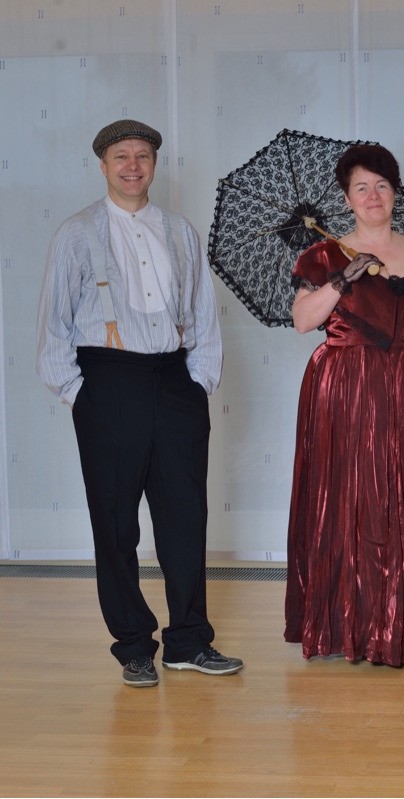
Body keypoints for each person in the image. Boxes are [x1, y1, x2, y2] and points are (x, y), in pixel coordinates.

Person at [36, 119, 242, 687]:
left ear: (154, 164)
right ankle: (133, 645)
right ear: (103, 165)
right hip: (107, 383)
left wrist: (198, 383)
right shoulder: (76, 233)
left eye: (143, 156)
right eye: (121, 156)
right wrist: (80, 394)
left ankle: (188, 642)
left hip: (174, 382)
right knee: (115, 521)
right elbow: (53, 323)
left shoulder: (180, 231)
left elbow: (202, 313)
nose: (133, 166)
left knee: (185, 517)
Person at [284, 144, 404, 666]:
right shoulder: (325, 255)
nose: (373, 196)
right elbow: (303, 320)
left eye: (382, 186)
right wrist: (344, 276)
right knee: (348, 499)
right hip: (346, 389)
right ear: (347, 198)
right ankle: (348, 626)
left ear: (395, 193)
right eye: (362, 188)